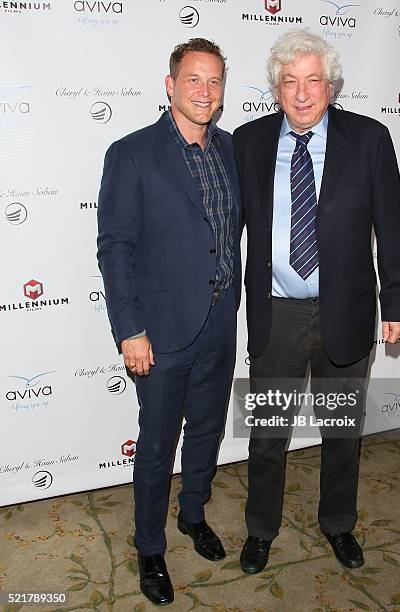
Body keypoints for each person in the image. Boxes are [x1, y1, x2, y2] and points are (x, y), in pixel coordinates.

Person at [233, 28, 400, 574]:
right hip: (277, 315)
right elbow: (222, 223)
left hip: (346, 314)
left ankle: (338, 525)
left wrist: (399, 304)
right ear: (277, 88)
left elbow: (394, 228)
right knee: (267, 436)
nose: (302, 92)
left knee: (342, 432)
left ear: (331, 85)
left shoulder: (370, 138)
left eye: (313, 80)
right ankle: (261, 529)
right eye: (290, 81)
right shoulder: (249, 141)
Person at [97, 38, 240, 606]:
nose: (205, 92)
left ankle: (194, 514)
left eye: (215, 82)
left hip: (220, 323)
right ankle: (150, 545)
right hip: (158, 331)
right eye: (194, 80)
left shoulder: (230, 149)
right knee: (158, 444)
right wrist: (130, 329)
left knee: (205, 432)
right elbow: (115, 247)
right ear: (170, 84)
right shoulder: (131, 153)